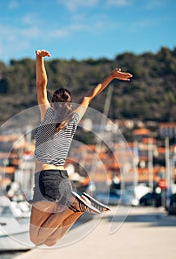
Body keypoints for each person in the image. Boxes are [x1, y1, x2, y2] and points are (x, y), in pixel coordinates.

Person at [29, 49, 133, 247]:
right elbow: (89, 97)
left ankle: (71, 208)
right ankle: (75, 207)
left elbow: (41, 84)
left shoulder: (47, 115)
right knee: (51, 241)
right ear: (69, 104)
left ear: (52, 102)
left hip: (46, 179)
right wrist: (111, 76)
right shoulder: (73, 119)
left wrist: (39, 59)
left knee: (36, 238)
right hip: (63, 180)